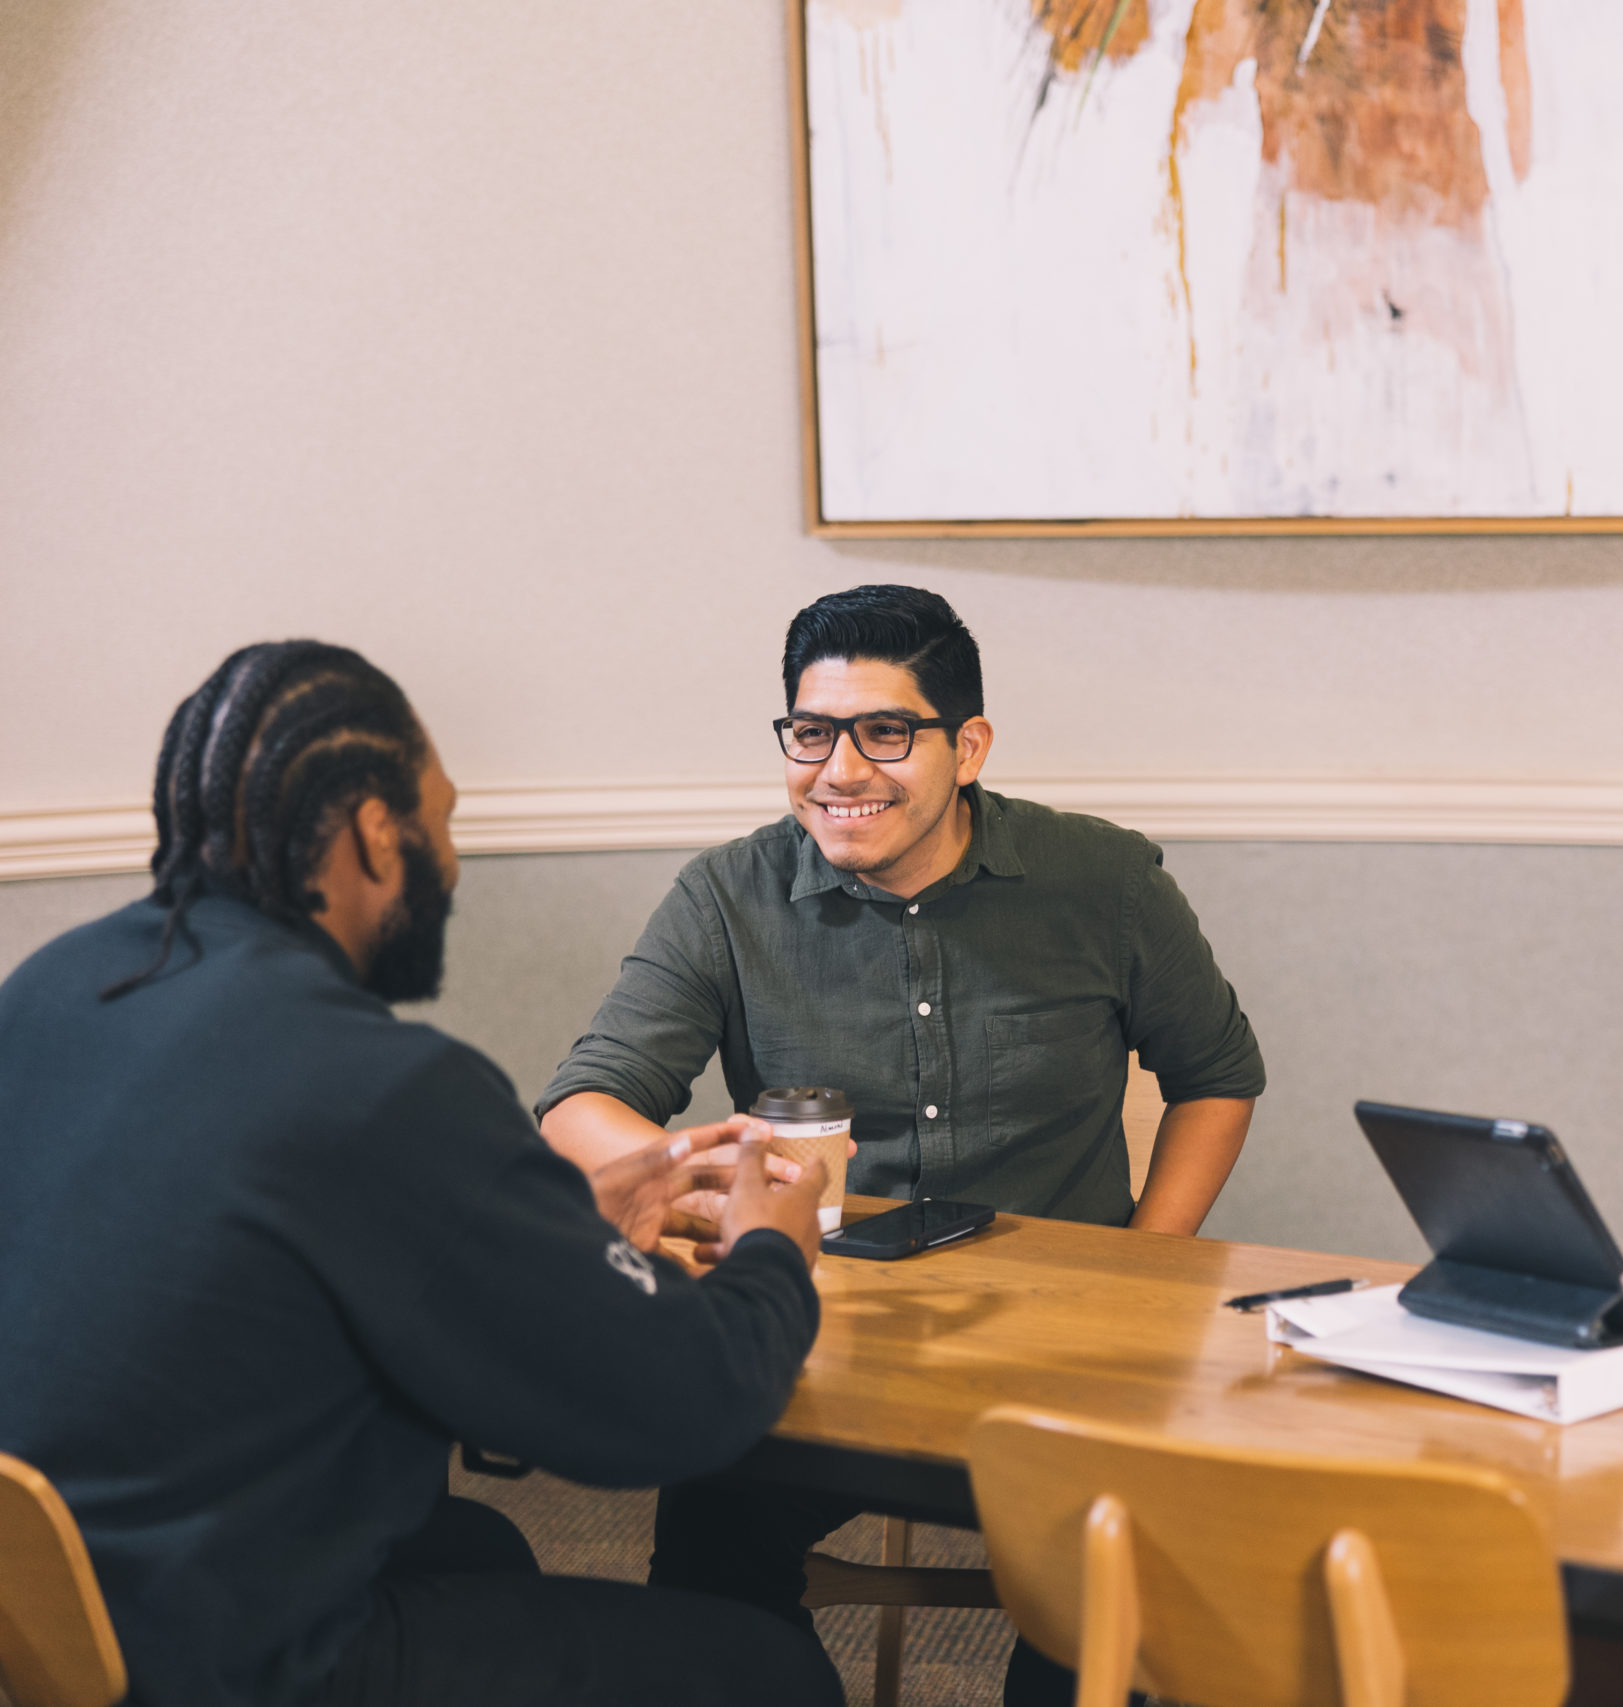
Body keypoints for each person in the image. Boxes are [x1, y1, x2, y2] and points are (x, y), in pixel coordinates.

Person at [0, 642, 842, 1707]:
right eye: (440, 824)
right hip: (239, 1660)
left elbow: (250, 1265)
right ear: (371, 833)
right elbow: (684, 1406)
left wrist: (543, 1230)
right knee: (769, 1672)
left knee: (475, 1546)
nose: (449, 861)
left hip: (53, 1608)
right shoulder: (378, 1084)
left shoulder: (51, 990)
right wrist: (774, 1250)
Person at [532, 584, 1265, 1702]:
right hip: (823, 1332)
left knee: (1106, 1600)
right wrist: (704, 1187)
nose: (840, 771)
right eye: (811, 733)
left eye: (886, 733)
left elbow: (1215, 1077)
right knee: (708, 1543)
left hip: (1067, 1354)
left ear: (966, 747)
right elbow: (582, 1101)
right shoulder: (728, 895)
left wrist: (1149, 1265)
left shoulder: (1104, 882)